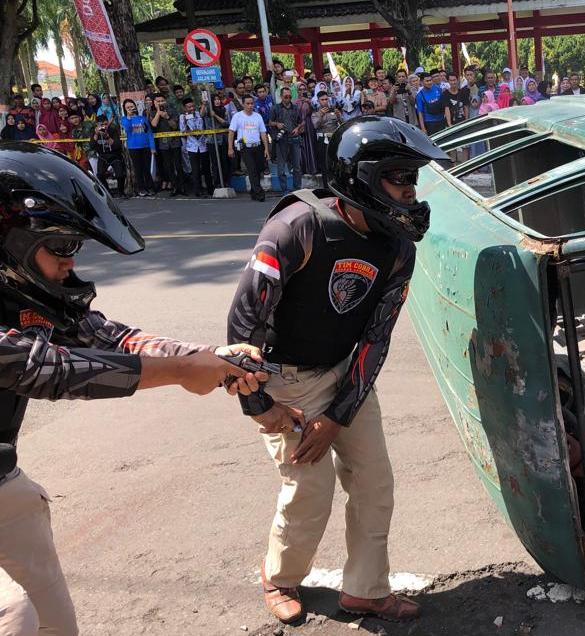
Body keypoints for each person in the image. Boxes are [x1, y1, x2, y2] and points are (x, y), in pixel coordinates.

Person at [0, 143, 262, 636]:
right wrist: (182, 373)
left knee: (56, 624)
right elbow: (45, 369)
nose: (69, 263)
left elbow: (106, 336)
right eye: (59, 247)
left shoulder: (26, 293)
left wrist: (205, 357)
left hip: (4, 481)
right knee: (14, 615)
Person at [226, 116, 450, 625]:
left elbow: (377, 338)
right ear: (362, 178)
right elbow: (243, 326)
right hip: (285, 378)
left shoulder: (398, 249)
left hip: (346, 371)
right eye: (400, 178)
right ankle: (279, 577)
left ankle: (366, 591)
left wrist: (339, 416)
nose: (411, 193)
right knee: (310, 491)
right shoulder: (297, 228)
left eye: (413, 180)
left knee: (374, 482)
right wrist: (258, 404)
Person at [228, 94, 271, 202]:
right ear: (243, 104)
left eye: (252, 103)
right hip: (245, 148)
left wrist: (266, 148)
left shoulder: (257, 116)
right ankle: (260, 193)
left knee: (258, 170)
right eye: (247, 103)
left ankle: (253, 191)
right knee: (251, 170)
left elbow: (263, 133)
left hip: (257, 146)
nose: (250, 106)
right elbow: (231, 132)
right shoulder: (237, 116)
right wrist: (230, 148)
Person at [269, 88, 304, 196]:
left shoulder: (296, 108)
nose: (288, 98)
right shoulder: (275, 108)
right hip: (281, 140)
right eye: (285, 96)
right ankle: (284, 190)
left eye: (289, 96)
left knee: (297, 167)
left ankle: (297, 189)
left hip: (294, 139)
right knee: (281, 169)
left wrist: (298, 129)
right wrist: (276, 124)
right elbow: (270, 122)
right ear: (281, 96)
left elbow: (301, 122)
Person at [150, 94, 185, 196]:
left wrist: (167, 116)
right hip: (163, 143)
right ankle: (174, 187)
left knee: (178, 165)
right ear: (154, 103)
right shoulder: (153, 112)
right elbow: (154, 124)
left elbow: (174, 126)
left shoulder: (172, 110)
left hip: (175, 142)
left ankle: (182, 187)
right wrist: (158, 113)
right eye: (158, 101)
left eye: (162, 100)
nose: (160, 103)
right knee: (168, 166)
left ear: (165, 101)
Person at [179, 97, 213, 197]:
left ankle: (210, 188)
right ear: (185, 108)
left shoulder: (198, 114)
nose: (191, 108)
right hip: (191, 146)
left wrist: (203, 104)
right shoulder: (182, 117)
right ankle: (198, 190)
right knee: (195, 170)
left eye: (193, 106)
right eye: (189, 107)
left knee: (206, 168)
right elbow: (182, 131)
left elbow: (202, 114)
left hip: (203, 145)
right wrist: (185, 120)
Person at [122, 99, 156, 197]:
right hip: (133, 147)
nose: (130, 108)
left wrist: (152, 146)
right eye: (127, 107)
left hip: (146, 146)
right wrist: (129, 117)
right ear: (125, 109)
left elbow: (149, 132)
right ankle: (141, 188)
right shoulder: (124, 119)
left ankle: (150, 187)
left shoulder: (142, 118)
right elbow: (128, 128)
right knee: (138, 169)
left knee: (147, 168)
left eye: (132, 106)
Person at [90, 116, 127, 198]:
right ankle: (107, 192)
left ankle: (121, 192)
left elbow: (117, 145)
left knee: (120, 174)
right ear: (97, 125)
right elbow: (92, 146)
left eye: (106, 124)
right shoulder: (94, 131)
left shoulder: (112, 130)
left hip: (114, 155)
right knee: (99, 175)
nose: (104, 126)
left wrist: (108, 137)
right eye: (101, 125)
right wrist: (96, 134)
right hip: (103, 155)